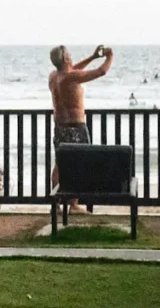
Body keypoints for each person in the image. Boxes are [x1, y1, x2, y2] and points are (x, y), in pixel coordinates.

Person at [48, 45, 114, 207]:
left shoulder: (54, 76)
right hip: (75, 127)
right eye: (69, 54)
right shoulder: (71, 77)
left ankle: (55, 203)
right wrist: (109, 57)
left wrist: (91, 57)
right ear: (64, 58)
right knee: (80, 163)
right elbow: (101, 72)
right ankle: (74, 204)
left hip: (60, 127)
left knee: (60, 164)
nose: (71, 56)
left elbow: (73, 70)